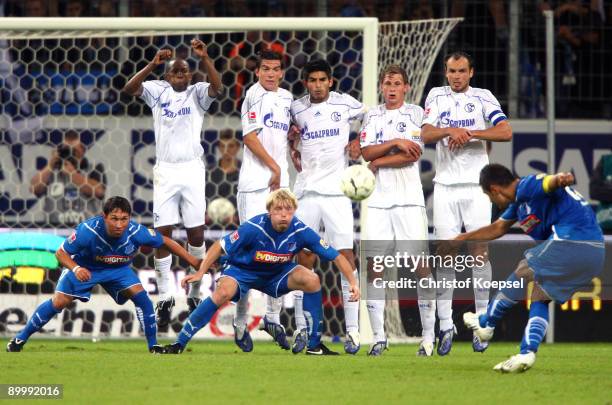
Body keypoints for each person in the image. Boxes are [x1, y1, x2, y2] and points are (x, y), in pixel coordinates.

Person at [163, 189, 360, 355]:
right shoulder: (253, 227)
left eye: (288, 209)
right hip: (242, 271)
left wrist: (353, 283)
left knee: (312, 279)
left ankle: (314, 345)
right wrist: (200, 273)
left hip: (276, 274)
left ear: (294, 211)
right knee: (223, 293)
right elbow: (218, 246)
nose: (284, 214)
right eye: (278, 209)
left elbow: (336, 256)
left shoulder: (301, 230)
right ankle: (179, 343)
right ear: (269, 211)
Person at [6, 196, 202, 353]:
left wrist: (192, 260)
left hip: (119, 270)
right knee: (59, 302)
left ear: (129, 218)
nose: (119, 224)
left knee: (142, 298)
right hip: (86, 267)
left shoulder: (136, 231)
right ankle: (20, 338)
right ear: (104, 217)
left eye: (124, 219)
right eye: (114, 219)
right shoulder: (87, 230)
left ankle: (153, 346)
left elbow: (165, 242)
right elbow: (60, 253)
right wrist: (75, 268)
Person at [461, 164, 604, 372]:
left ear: (494, 189)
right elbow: (497, 228)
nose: (490, 201)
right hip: (594, 253)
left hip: (574, 241)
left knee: (524, 268)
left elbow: (548, 182)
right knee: (539, 294)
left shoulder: (526, 186)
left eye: (487, 195)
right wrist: (460, 239)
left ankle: (486, 322)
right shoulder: (518, 205)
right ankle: (526, 353)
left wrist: (560, 178)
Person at [121, 38, 223, 325]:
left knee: (196, 235)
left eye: (184, 72)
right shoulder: (157, 90)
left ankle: (194, 292)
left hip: (192, 169)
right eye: (175, 72)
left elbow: (218, 87)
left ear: (190, 75)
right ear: (166, 76)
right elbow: (129, 89)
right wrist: (151, 65)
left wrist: (204, 58)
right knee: (161, 233)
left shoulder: (197, 93)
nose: (180, 76)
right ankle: (164, 295)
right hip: (166, 170)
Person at [421, 51, 512, 355]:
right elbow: (425, 133)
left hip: (476, 188)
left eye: (461, 71)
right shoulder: (436, 95)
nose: (456, 76)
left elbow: (505, 131)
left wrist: (470, 132)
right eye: (451, 71)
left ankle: (483, 323)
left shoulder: (484, 97)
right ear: (445, 73)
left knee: (478, 252)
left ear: (471, 72)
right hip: (445, 187)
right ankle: (445, 325)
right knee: (446, 252)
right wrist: (451, 130)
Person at [288, 59, 363, 354]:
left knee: (346, 257)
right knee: (303, 260)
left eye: (322, 79)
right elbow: (286, 134)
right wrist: (292, 146)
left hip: (337, 194)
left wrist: (360, 140)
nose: (317, 84)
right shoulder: (296, 108)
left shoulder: (346, 104)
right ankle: (301, 330)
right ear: (306, 82)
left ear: (331, 81)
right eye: (312, 80)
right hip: (306, 193)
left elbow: (372, 116)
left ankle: (354, 332)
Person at [360, 64, 434, 356]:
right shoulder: (373, 115)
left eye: (397, 83)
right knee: (373, 268)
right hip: (378, 202)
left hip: (409, 201)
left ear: (405, 87)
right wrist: (393, 143)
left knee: (420, 267)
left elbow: (411, 155)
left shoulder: (415, 113)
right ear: (382, 86)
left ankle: (428, 337)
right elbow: (365, 151)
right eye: (387, 83)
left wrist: (379, 160)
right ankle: (379, 338)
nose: (391, 88)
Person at [233, 50, 293, 352]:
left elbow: (287, 134)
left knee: (280, 252)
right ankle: (241, 322)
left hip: (279, 186)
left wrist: (291, 147)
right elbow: (250, 138)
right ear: (257, 72)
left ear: (282, 72)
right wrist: (275, 167)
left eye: (275, 69)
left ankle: (273, 318)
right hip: (255, 185)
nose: (270, 74)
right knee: (248, 256)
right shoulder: (252, 96)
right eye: (265, 69)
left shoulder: (287, 98)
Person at [30, 130, 106, 227]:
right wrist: (51, 164)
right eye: (66, 150)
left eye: (74, 150)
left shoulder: (93, 169)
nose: (70, 154)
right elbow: (34, 188)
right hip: (54, 229)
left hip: (87, 230)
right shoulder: (51, 172)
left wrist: (72, 174)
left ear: (82, 150)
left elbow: (99, 191)